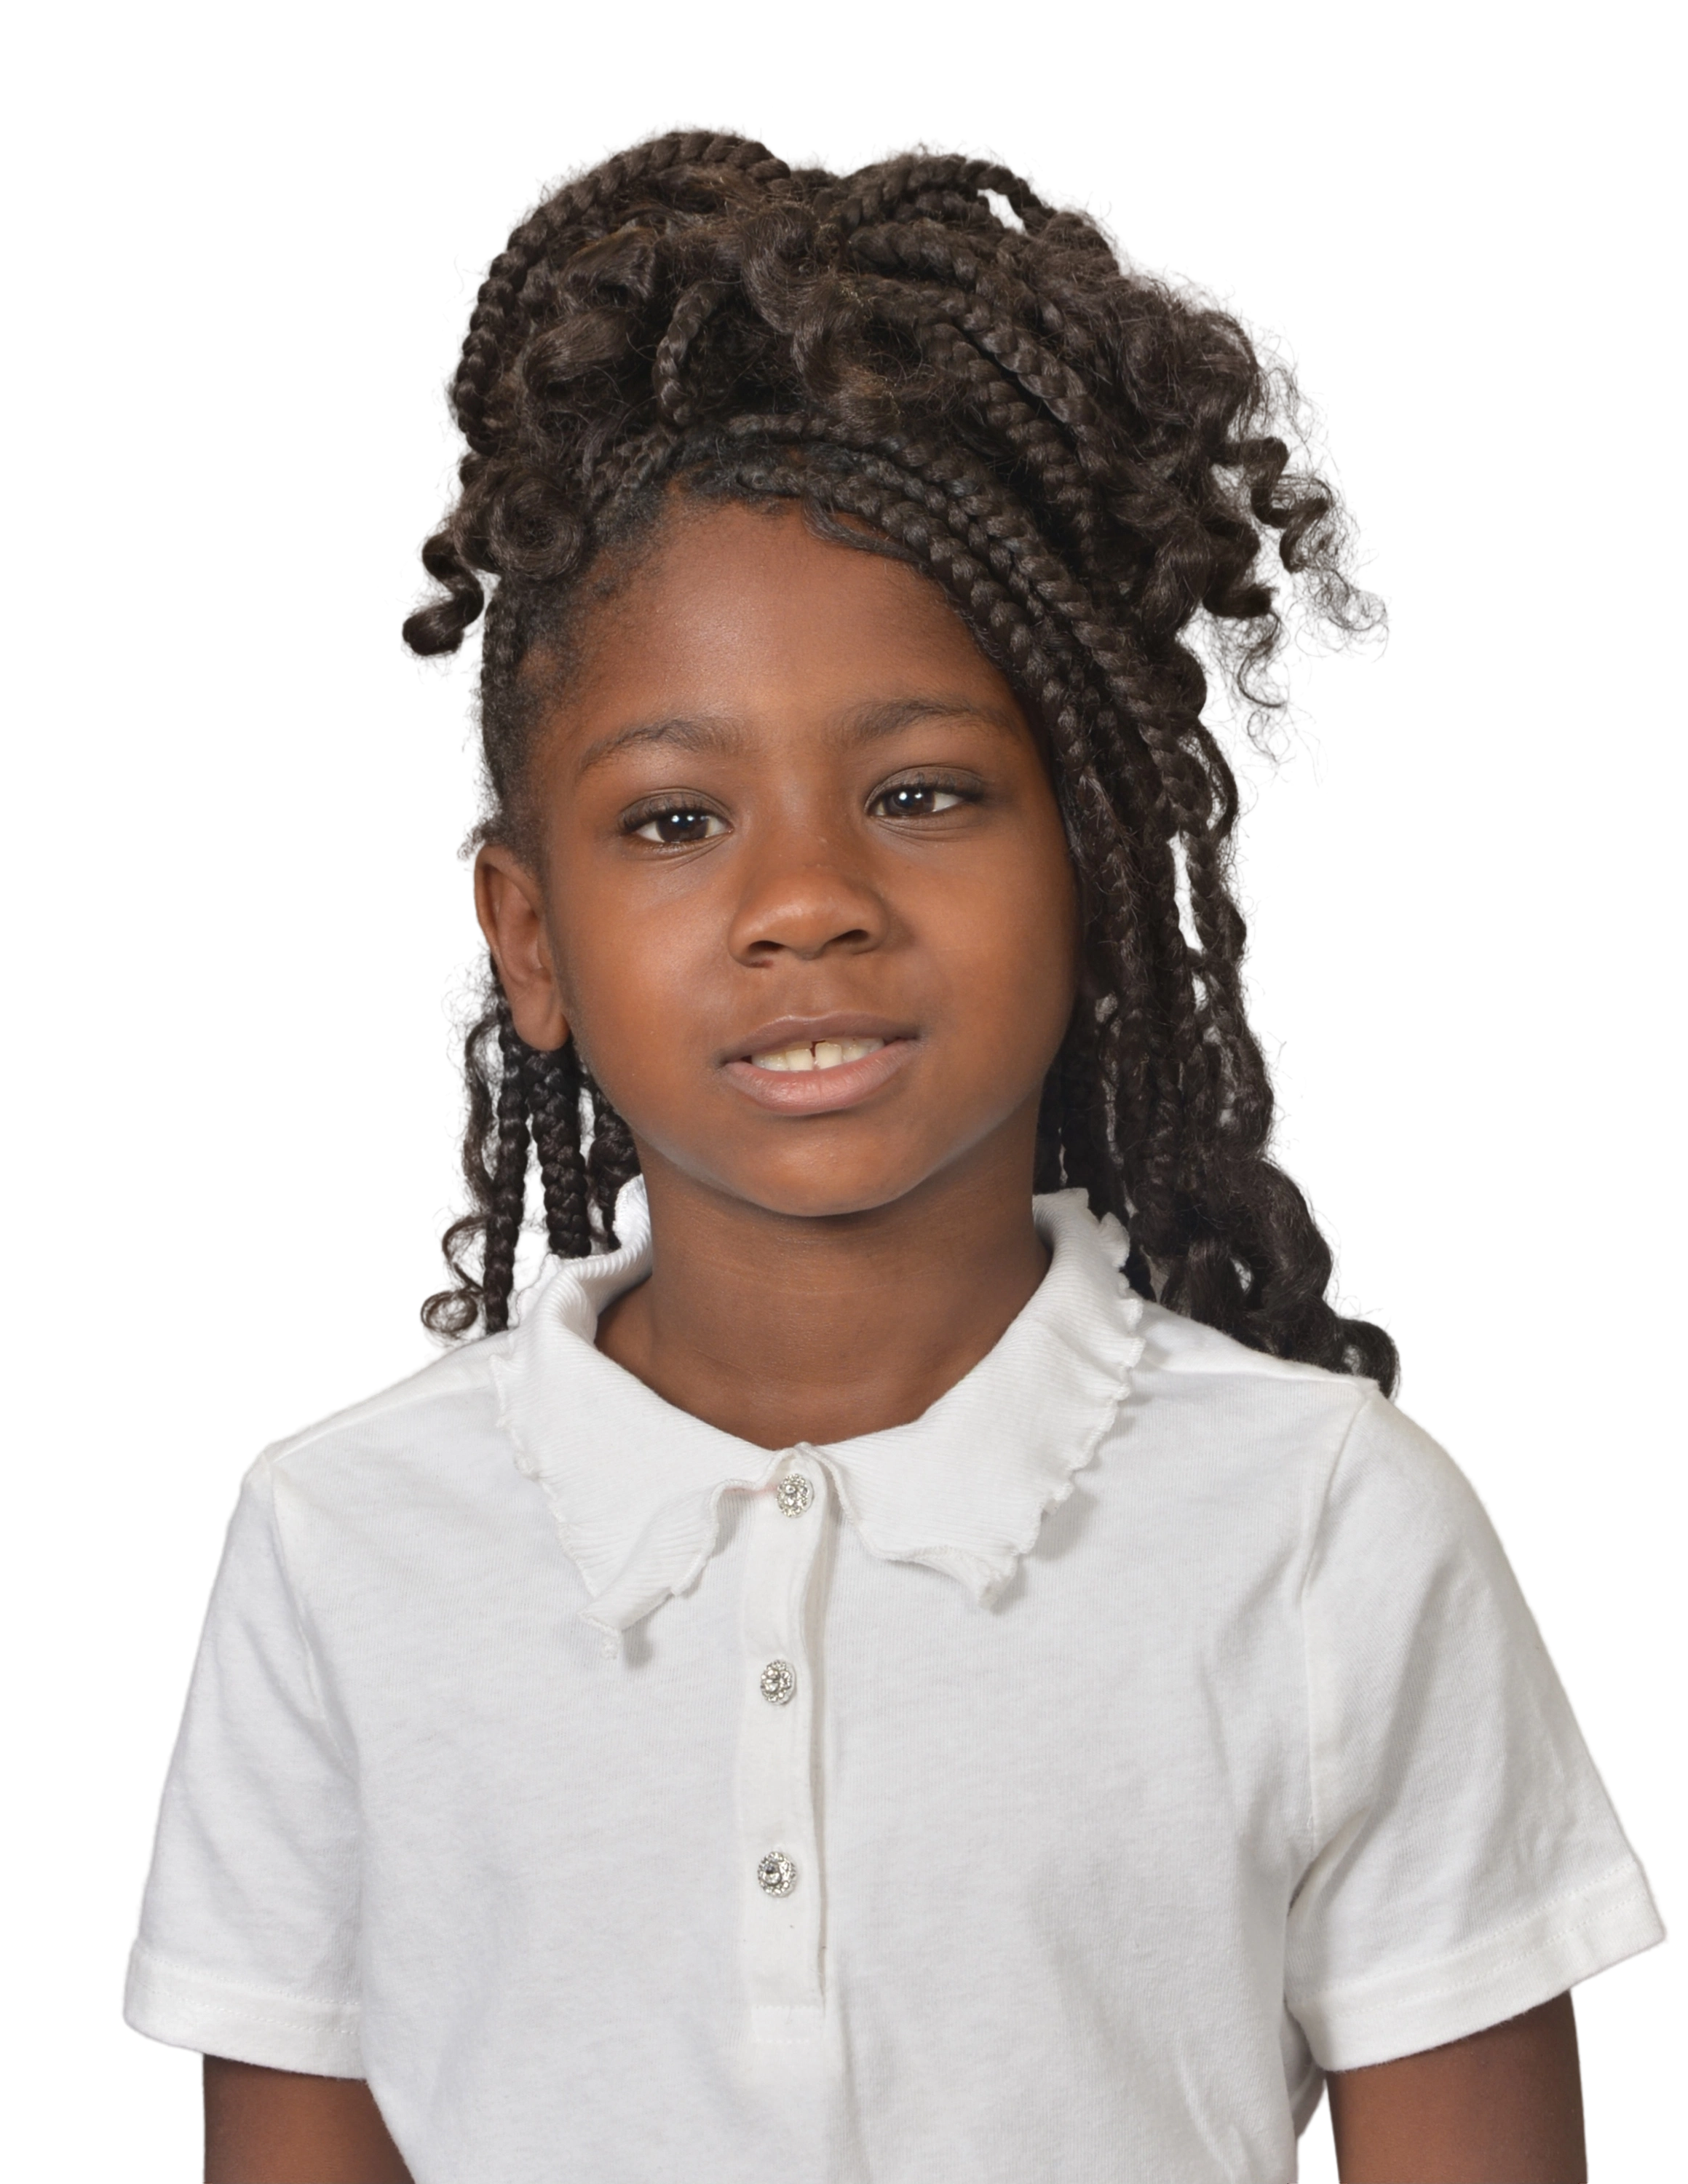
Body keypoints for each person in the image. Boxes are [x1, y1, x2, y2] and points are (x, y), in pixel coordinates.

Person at [116, 119, 1668, 2183]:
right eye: (677, 820)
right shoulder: (346, 1548)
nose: (807, 902)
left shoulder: (1331, 1535)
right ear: (528, 935)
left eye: (924, 793)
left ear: (1097, 862)